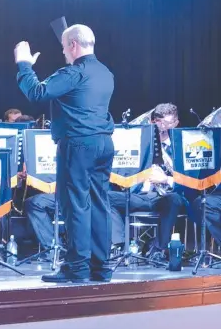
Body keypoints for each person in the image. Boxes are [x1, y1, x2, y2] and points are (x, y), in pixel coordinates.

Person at [15, 24, 115, 283]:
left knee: (76, 206)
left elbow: (37, 92)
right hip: (103, 143)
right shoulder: (105, 72)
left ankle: (77, 268)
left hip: (78, 144)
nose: (63, 52)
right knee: (99, 204)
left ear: (73, 45)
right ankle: (100, 267)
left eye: (63, 47)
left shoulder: (73, 73)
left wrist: (24, 64)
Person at [109, 103, 187, 260]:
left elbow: (191, 179)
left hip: (165, 196)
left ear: (177, 123)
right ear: (153, 122)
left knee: (174, 199)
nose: (163, 127)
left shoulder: (181, 147)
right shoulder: (138, 144)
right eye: (160, 122)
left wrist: (166, 179)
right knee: (104, 196)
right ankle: (122, 246)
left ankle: (159, 249)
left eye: (168, 123)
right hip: (139, 195)